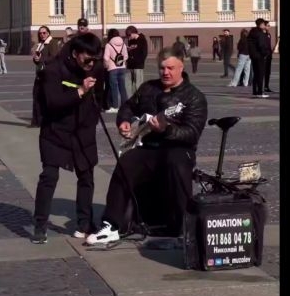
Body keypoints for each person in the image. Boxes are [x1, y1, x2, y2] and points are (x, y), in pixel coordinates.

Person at [87, 47, 208, 245]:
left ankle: (184, 226)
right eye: (162, 68)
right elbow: (128, 106)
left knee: (176, 164)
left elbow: (192, 132)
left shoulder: (194, 96)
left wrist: (166, 129)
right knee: (126, 163)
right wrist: (124, 121)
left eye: (170, 68)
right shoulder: (148, 88)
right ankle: (112, 225)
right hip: (149, 146)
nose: (165, 72)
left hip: (178, 147)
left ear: (181, 67)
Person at [32, 33, 104, 244]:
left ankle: (84, 224)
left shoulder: (96, 69)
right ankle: (40, 225)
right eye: (87, 59)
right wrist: (80, 91)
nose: (91, 64)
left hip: (83, 131)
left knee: (86, 176)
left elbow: (100, 97)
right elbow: (52, 102)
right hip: (55, 131)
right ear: (75, 53)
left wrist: (91, 117)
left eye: (95, 59)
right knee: (49, 176)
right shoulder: (54, 69)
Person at [30, 26, 62, 127]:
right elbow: (38, 59)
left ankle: (44, 121)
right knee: (36, 96)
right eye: (40, 33)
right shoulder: (40, 44)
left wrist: (41, 59)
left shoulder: (52, 43)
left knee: (45, 98)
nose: (42, 35)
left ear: (48, 33)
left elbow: (54, 57)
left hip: (48, 74)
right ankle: (36, 121)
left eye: (44, 33)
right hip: (40, 73)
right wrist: (36, 59)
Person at [103, 28, 129, 113]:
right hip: (122, 68)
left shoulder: (108, 45)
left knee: (114, 88)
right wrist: (121, 62)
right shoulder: (123, 44)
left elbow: (106, 57)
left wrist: (106, 65)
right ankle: (125, 106)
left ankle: (115, 106)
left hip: (112, 68)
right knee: (122, 88)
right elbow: (126, 56)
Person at [124, 25, 148, 98]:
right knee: (128, 84)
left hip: (138, 66)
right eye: (127, 36)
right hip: (130, 66)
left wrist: (138, 61)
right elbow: (130, 52)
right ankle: (130, 100)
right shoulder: (130, 40)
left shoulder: (142, 40)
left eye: (129, 35)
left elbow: (144, 53)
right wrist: (128, 51)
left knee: (138, 85)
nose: (128, 37)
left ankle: (139, 100)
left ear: (133, 33)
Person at [248, 19, 269, 98]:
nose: (264, 25)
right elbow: (261, 45)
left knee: (256, 73)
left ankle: (255, 91)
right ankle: (260, 92)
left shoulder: (252, 32)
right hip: (260, 56)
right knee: (260, 74)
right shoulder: (260, 33)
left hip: (253, 56)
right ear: (260, 24)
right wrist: (265, 53)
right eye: (264, 24)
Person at [263, 22, 275, 93]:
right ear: (264, 26)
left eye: (269, 25)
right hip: (264, 56)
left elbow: (268, 45)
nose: (269, 27)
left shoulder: (269, 34)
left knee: (268, 72)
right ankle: (260, 87)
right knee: (262, 72)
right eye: (268, 25)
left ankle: (266, 87)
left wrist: (272, 50)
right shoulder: (262, 34)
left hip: (269, 55)